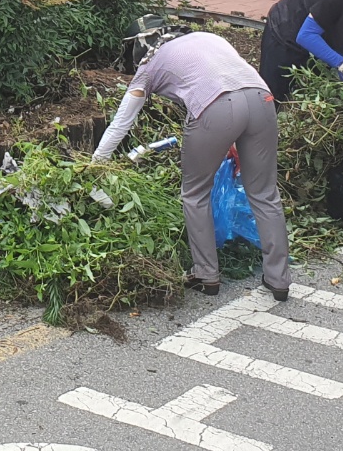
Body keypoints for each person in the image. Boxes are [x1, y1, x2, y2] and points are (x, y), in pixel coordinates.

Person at [93, 31, 291, 301]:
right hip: (261, 99)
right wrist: (235, 135)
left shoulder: (148, 68)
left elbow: (121, 122)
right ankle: (279, 279)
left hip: (215, 107)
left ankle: (206, 273)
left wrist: (95, 164)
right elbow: (233, 81)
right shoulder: (208, 37)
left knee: (195, 193)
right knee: (265, 192)